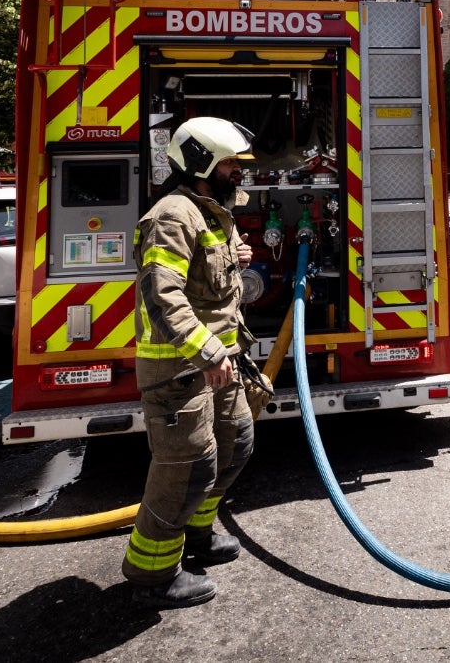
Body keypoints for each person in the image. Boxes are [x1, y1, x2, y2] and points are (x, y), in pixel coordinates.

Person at [121, 117, 257, 609]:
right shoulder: (173, 215)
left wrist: (234, 257)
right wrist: (207, 351)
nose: (236, 171)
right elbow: (162, 295)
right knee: (186, 468)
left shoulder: (209, 214)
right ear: (202, 161)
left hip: (218, 364)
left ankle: (197, 536)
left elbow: (204, 279)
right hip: (182, 370)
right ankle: (151, 574)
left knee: (235, 444)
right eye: (228, 162)